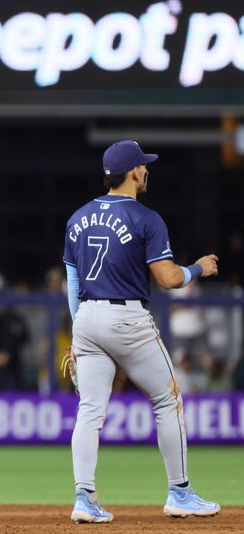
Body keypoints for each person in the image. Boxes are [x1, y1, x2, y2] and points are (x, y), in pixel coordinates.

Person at [63, 140, 221, 522]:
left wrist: (78, 338)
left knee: (90, 411)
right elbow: (168, 279)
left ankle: (84, 499)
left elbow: (72, 282)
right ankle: (180, 493)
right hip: (127, 318)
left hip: (86, 317)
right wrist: (199, 268)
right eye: (143, 166)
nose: (146, 170)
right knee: (168, 400)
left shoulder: (77, 217)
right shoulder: (146, 218)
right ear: (133, 171)